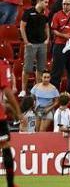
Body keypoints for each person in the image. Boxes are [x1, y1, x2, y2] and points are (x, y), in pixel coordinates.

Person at [20, 0, 50, 95]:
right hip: (31, 44)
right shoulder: (28, 12)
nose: (47, 4)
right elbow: (22, 27)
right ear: (40, 1)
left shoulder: (45, 14)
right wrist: (26, 42)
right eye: (45, 2)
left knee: (40, 69)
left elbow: (47, 26)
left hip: (42, 44)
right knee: (27, 68)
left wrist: (48, 38)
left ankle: (38, 90)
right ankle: (23, 90)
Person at [49, 0, 70, 92]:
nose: (65, 6)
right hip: (59, 45)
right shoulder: (57, 15)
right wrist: (64, 35)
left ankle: (68, 92)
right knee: (57, 71)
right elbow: (54, 30)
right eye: (63, 4)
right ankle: (55, 92)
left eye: (67, 4)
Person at [0, 58, 20, 187]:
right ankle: (11, 184)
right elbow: (7, 90)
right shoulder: (2, 65)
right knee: (4, 145)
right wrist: (18, 111)